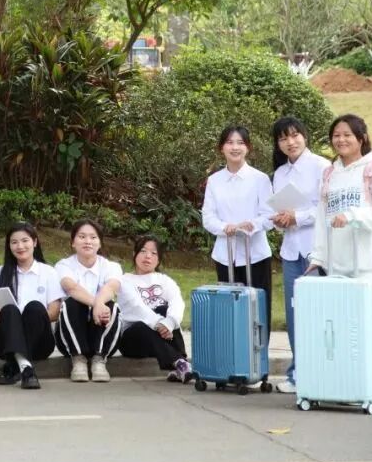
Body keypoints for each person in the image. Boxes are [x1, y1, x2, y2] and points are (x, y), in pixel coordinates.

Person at [306, 114, 372, 402]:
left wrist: (354, 216)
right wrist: (318, 256)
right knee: (343, 329)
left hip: (368, 265)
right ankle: (349, 388)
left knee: (369, 329)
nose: (341, 140)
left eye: (347, 135)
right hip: (337, 265)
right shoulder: (330, 174)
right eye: (336, 135)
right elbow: (322, 219)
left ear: (361, 138)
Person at [268, 116, 331, 394]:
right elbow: (279, 211)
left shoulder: (321, 166)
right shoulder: (280, 173)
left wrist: (298, 216)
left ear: (304, 136)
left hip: (317, 251)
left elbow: (326, 209)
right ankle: (297, 374)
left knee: (318, 314)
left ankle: (321, 373)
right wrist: (280, 220)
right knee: (294, 316)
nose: (290, 142)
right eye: (283, 138)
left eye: (294, 135)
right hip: (291, 251)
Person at [0, 224, 63, 390]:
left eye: (25, 241)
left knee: (35, 308)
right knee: (9, 310)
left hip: (40, 343)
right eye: (14, 242)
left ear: (34, 242)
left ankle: (13, 366)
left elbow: (55, 312)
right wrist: (9, 319)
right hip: (4, 343)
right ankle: (26, 369)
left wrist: (23, 321)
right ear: (9, 246)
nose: (20, 246)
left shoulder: (48, 272)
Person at [201, 125, 274, 323]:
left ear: (248, 147)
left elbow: (269, 215)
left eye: (240, 143)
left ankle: (260, 343)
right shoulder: (214, 181)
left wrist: (250, 225)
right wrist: (225, 227)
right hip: (226, 254)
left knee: (258, 309)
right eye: (230, 142)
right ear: (221, 148)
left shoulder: (260, 179)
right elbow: (208, 217)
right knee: (230, 311)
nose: (235, 147)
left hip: (256, 254)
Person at [55, 220, 123, 383]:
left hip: (100, 331)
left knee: (111, 306)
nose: (87, 241)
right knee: (71, 303)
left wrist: (100, 305)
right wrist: (97, 304)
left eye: (93, 237)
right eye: (82, 237)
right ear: (73, 242)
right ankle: (78, 359)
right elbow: (71, 287)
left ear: (100, 243)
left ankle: (99, 359)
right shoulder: (63, 265)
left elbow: (112, 287)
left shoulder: (111, 266)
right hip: (70, 337)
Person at [117, 236, 191, 383]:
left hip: (160, 336)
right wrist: (160, 324)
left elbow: (177, 302)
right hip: (133, 340)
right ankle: (179, 363)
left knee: (166, 310)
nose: (148, 256)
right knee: (142, 325)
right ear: (134, 254)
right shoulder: (124, 281)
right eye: (143, 251)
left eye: (153, 253)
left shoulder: (164, 280)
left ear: (159, 260)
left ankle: (179, 366)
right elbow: (136, 307)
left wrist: (169, 323)